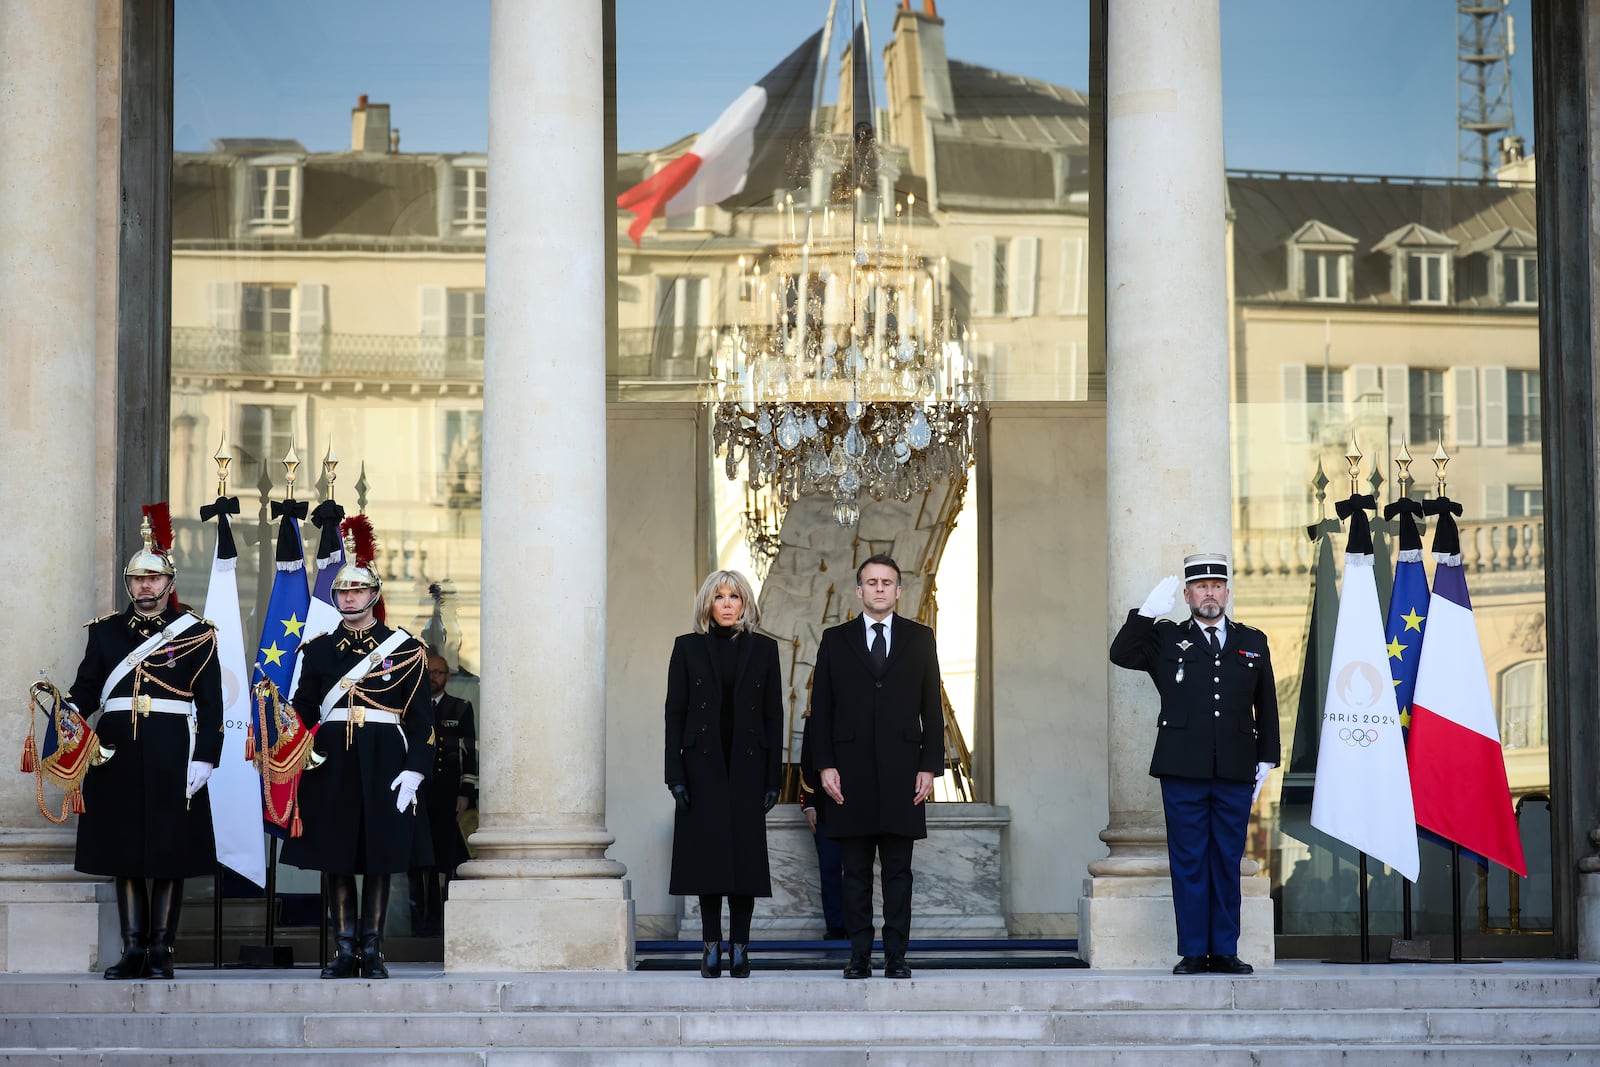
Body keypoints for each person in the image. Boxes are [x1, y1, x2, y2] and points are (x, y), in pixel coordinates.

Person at [1109, 552, 1280, 976]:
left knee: (1226, 859)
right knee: (1187, 861)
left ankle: (1224, 949)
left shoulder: (1252, 640)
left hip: (1237, 768)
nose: (1210, 594)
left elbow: (1267, 704)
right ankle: (1192, 951)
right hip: (1182, 768)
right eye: (1201, 587)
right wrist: (1145, 614)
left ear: (1227, 592)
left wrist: (1267, 757)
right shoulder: (1165, 639)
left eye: (1217, 586)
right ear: (1186, 595)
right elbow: (1121, 653)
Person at [69, 512, 223, 980]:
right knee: (124, 851)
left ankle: (161, 949)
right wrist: (68, 714)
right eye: (136, 579)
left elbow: (212, 704)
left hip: (170, 750)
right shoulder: (106, 631)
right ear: (128, 584)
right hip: (115, 750)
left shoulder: (196, 632)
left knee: (169, 851)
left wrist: (206, 758)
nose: (144, 586)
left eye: (152, 577)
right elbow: (86, 689)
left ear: (169, 581)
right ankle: (133, 948)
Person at [280, 529, 434, 979]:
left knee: (381, 858)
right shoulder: (320, 649)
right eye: (343, 591)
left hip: (386, 758)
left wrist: (415, 772)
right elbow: (306, 707)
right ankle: (345, 949)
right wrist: (280, 717)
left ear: (374, 594)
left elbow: (422, 722)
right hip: (332, 759)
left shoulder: (404, 650)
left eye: (358, 589)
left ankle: (373, 949)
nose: (350, 597)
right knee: (336, 856)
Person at [808, 554, 945, 979]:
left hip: (905, 773)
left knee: (899, 873)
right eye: (872, 582)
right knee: (855, 873)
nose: (880, 588)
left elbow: (931, 709)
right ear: (859, 590)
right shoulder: (835, 639)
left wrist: (930, 766)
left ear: (899, 591)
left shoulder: (921, 639)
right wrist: (824, 767)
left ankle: (897, 956)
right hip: (849, 777)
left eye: (887, 582)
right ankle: (859, 956)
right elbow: (821, 710)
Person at [662, 569, 782, 979]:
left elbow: (773, 716)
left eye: (734, 596)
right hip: (701, 769)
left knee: (744, 863)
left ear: (745, 603)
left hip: (748, 768)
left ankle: (741, 948)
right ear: (708, 605)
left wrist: (773, 779)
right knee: (709, 861)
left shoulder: (765, 650)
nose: (727, 604)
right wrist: (674, 774)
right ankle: (711, 946)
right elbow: (673, 714)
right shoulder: (686, 648)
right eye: (720, 597)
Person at [407, 652, 477, 937]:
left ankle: (449, 920)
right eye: (430, 672)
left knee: (448, 858)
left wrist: (466, 792)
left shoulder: (460, 708)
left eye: (439, 672)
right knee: (418, 859)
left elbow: (470, 754)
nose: (434, 677)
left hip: (448, 795)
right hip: (418, 794)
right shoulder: (412, 708)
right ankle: (421, 921)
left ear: (448, 676)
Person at [797, 714, 847, 941]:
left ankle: (857, 925)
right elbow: (807, 763)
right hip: (825, 808)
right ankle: (836, 926)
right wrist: (808, 804)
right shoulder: (815, 718)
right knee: (830, 868)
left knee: (859, 871)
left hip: (859, 808)